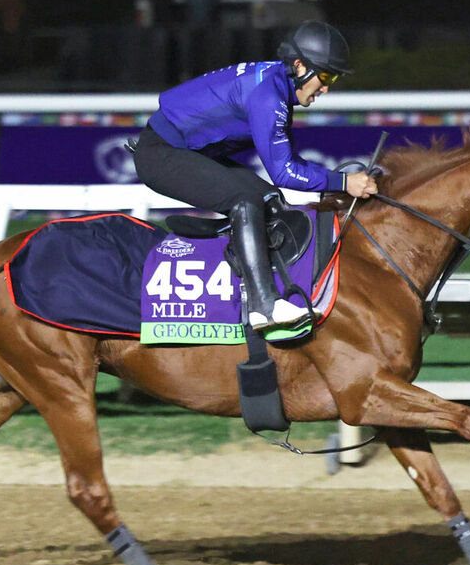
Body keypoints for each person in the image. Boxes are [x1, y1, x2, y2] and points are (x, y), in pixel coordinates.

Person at [132, 20, 378, 333]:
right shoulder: (268, 95)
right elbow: (284, 172)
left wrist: (333, 181)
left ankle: (267, 285)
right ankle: (264, 305)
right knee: (246, 200)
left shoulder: (278, 84)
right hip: (160, 154)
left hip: (184, 150)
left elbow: (286, 164)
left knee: (270, 201)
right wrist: (343, 182)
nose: (327, 88)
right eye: (326, 76)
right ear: (300, 66)